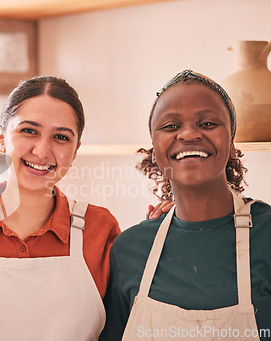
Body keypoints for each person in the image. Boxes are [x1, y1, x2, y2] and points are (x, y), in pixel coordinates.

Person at [0, 76, 122, 340]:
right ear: (1, 138)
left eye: (60, 137)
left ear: (75, 152)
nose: (41, 151)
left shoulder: (99, 228)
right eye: (29, 131)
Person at [101, 70, 271, 341]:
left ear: (231, 141)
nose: (189, 134)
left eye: (208, 123)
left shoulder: (267, 234)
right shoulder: (129, 249)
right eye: (170, 126)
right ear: (154, 147)